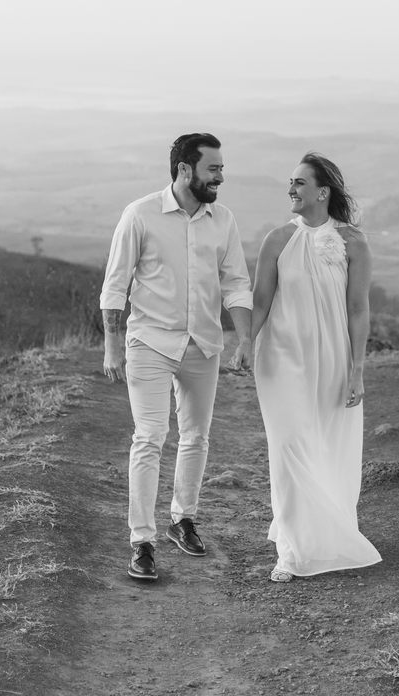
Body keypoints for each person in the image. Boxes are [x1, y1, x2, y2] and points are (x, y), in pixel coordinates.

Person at [101, 133, 253, 581]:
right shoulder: (140, 214)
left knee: (196, 436)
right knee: (149, 437)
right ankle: (142, 542)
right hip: (149, 342)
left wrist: (245, 340)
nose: (220, 177)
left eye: (221, 168)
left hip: (203, 344)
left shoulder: (223, 220)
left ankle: (183, 519)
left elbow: (236, 284)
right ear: (185, 169)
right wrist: (112, 345)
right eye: (213, 169)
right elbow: (116, 283)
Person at [251, 152, 382, 582]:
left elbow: (358, 310)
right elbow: (260, 301)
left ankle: (326, 529)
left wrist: (357, 370)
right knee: (288, 445)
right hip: (280, 358)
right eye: (290, 182)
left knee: (327, 445)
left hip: (332, 359)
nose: (290, 189)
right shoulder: (276, 240)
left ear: (323, 192)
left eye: (299, 182)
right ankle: (291, 550)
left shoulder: (353, 243)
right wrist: (242, 345)